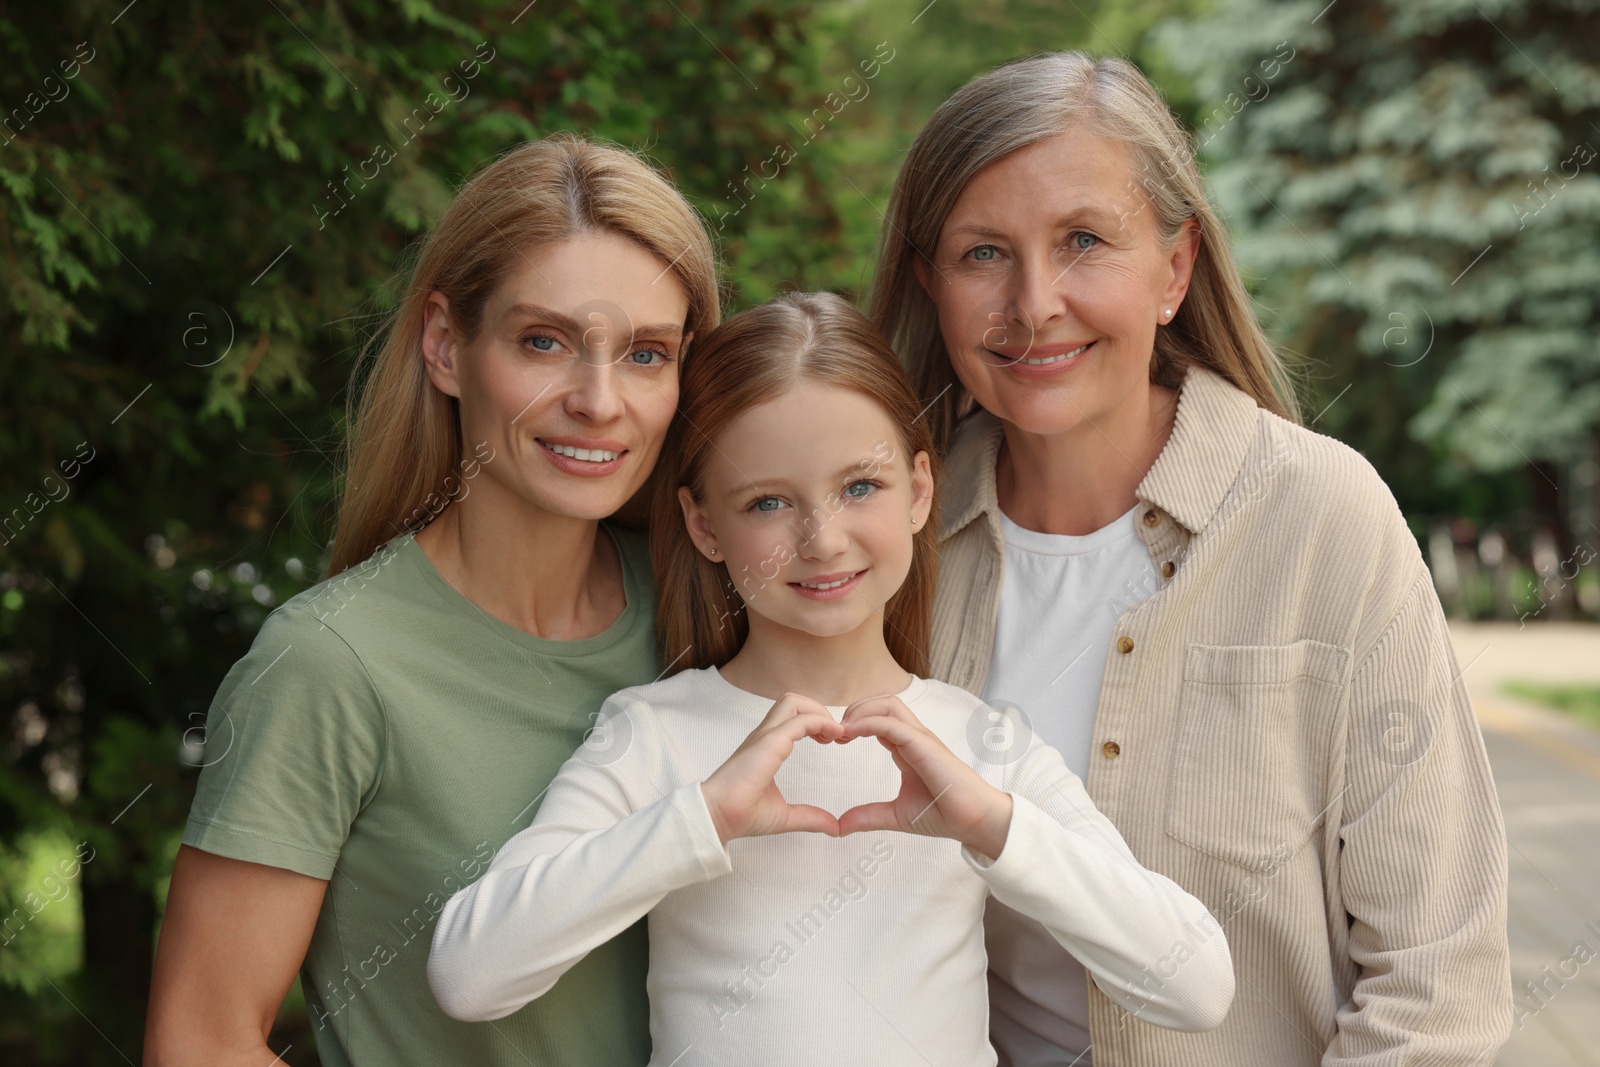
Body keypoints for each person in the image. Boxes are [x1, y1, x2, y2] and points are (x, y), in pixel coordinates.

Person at [870, 51, 1512, 1066]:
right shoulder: (878, 545)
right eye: (982, 253)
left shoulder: (1321, 518)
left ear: (1174, 269)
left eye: (1082, 240)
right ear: (927, 280)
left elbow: (1438, 984)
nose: (1033, 302)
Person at [426, 292, 1234, 1065]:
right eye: (768, 502)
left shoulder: (982, 747)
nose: (821, 540)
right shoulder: (654, 731)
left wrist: (991, 826)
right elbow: (469, 975)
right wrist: (699, 819)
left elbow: (1196, 986)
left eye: (860, 487)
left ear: (920, 491)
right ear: (705, 525)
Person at [144, 133, 720, 1067]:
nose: (600, 399)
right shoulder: (331, 665)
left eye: (647, 354)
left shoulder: (710, 617)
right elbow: (200, 1041)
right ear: (447, 347)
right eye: (546, 341)